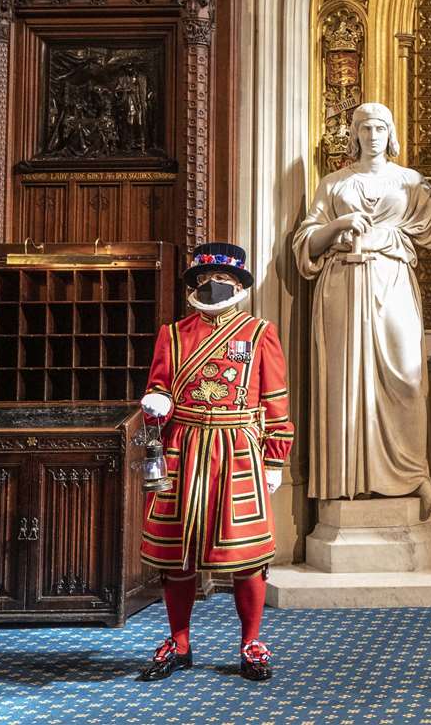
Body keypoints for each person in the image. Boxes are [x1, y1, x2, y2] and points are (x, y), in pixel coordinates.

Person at [293, 103, 431, 507]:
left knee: (406, 379)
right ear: (354, 135)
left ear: (391, 134)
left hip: (393, 282)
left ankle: (414, 476)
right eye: (365, 127)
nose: (372, 135)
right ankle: (349, 481)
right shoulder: (334, 184)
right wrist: (336, 226)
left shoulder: (409, 182)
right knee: (347, 382)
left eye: (380, 127)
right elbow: (306, 243)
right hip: (344, 284)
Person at [137, 243, 293, 683]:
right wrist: (157, 401)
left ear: (240, 285)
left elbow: (276, 400)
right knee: (176, 552)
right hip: (182, 446)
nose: (213, 286)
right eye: (204, 280)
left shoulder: (261, 333)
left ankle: (251, 641)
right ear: (194, 284)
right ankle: (179, 642)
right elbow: (159, 387)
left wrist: (275, 457)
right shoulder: (171, 334)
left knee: (245, 553)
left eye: (222, 280)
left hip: (238, 449)